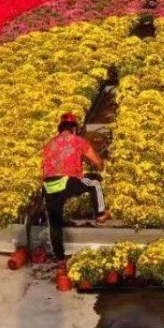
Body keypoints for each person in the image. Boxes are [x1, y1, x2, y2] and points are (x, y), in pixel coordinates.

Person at [40, 112, 110, 265]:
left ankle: (60, 259)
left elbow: (43, 168)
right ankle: (101, 214)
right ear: (74, 128)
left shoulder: (50, 143)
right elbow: (97, 161)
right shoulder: (77, 140)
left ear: (60, 129)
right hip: (67, 181)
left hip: (49, 186)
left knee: (55, 223)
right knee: (94, 183)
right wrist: (100, 165)